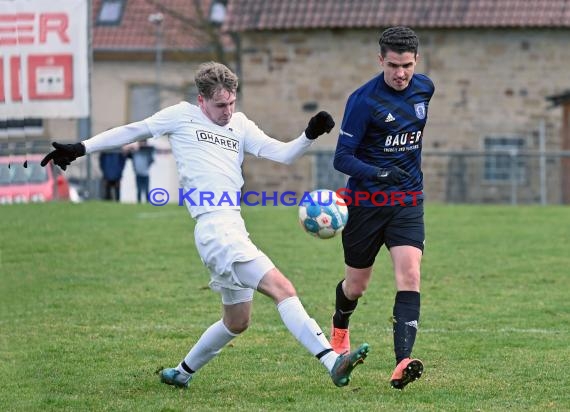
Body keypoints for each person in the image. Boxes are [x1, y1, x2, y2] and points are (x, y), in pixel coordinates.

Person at [41, 62, 369, 389]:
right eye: (220, 105)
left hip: (233, 228)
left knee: (237, 321)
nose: (227, 110)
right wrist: (81, 147)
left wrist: (308, 135)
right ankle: (331, 360)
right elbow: (133, 130)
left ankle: (181, 373)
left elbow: (281, 154)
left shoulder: (239, 124)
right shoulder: (181, 116)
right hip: (214, 230)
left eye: (231, 102)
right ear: (202, 101)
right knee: (282, 289)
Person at [330, 27, 435, 390]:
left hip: (407, 200)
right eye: (393, 65)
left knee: (410, 275)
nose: (400, 73)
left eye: (406, 65)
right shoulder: (362, 101)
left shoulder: (425, 89)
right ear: (380, 61)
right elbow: (341, 158)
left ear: (416, 61)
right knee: (356, 286)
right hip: (366, 203)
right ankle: (340, 326)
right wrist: (379, 172)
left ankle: (402, 361)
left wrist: (401, 177)